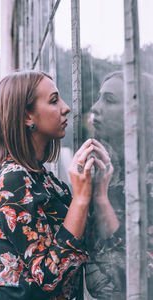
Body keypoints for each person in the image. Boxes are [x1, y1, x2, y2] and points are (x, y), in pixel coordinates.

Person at [0, 70, 119, 300]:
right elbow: (47, 276)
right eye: (54, 100)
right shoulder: (11, 180)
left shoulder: (43, 178)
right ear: (27, 117)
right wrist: (81, 199)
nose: (66, 108)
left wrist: (100, 195)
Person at [84, 71, 153, 299]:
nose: (95, 107)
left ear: (137, 112)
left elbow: (144, 271)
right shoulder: (107, 168)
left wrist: (101, 201)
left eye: (109, 100)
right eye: (99, 97)